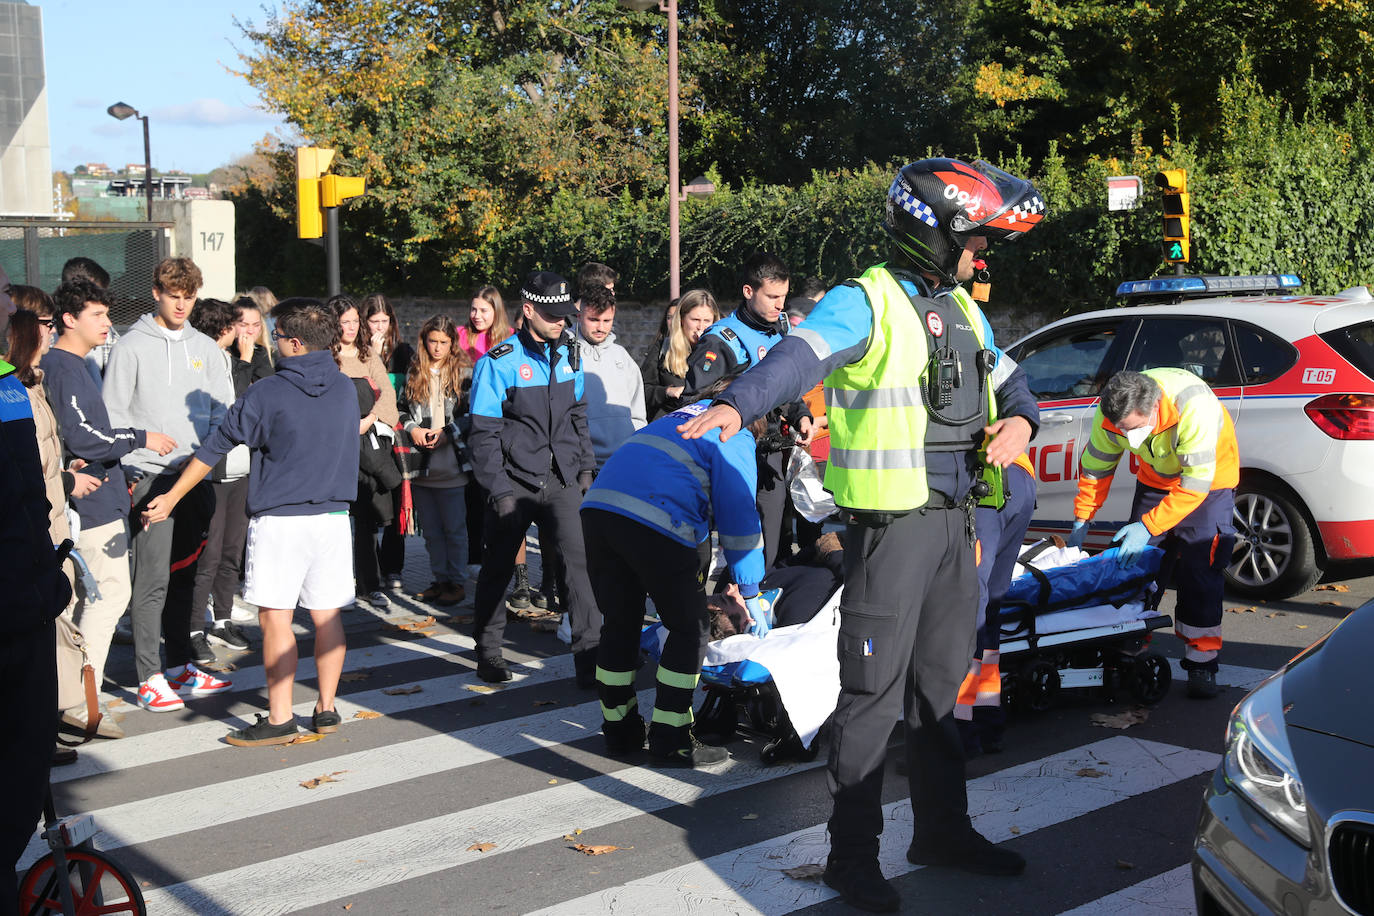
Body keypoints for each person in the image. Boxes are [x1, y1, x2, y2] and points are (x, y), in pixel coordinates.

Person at [680, 158, 1047, 912]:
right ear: (936, 231)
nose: (981, 254)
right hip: (890, 533)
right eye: (974, 238)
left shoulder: (964, 309)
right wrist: (739, 402)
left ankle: (942, 832)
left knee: (939, 694)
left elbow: (1012, 382)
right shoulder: (865, 301)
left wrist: (1023, 417)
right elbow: (796, 358)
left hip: (956, 527)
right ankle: (853, 858)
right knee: (871, 700)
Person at [142, 298, 359, 746]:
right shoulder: (345, 388)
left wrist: (170, 497)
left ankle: (280, 717)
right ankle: (327, 708)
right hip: (335, 518)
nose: (271, 343)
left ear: (294, 343)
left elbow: (213, 449)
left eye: (276, 336)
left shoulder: (267, 392)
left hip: (281, 520)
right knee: (327, 615)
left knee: (276, 618)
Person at [582, 378, 764, 767]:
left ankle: (620, 731)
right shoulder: (734, 430)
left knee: (620, 624)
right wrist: (750, 591)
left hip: (600, 512)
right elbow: (740, 516)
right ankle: (671, 738)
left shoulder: (678, 418)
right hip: (655, 520)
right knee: (689, 629)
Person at [103, 256, 236, 712]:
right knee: (152, 581)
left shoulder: (206, 346)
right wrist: (130, 467)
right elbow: (113, 416)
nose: (181, 304)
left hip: (195, 474)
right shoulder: (131, 346)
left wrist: (206, 452)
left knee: (185, 576)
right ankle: (148, 676)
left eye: (189, 296)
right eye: (173, 296)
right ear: (157, 293)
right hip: (149, 477)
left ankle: (179, 665)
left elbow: (224, 410)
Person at [42, 280, 176, 709]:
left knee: (87, 599)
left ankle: (72, 696)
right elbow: (85, 438)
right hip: (90, 505)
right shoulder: (63, 367)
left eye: (105, 313)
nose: (105, 323)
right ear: (69, 319)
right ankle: (84, 701)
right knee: (108, 595)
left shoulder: (79, 365)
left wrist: (122, 471)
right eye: (96, 315)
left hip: (99, 494)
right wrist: (141, 437)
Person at [1066, 367, 1239, 699]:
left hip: (1208, 484)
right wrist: (1082, 519)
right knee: (1136, 567)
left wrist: (1147, 526)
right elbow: (1097, 467)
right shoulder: (1112, 412)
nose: (1128, 436)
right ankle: (1129, 642)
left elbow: (1195, 486)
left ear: (1154, 407)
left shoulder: (1193, 407)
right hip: (1156, 481)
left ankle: (1201, 660)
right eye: (1121, 429)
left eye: (1134, 429)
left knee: (1200, 570)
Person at [467, 271, 601, 686]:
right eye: (552, 314)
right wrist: (500, 491)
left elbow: (578, 417)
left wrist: (584, 469)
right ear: (528, 311)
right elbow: (484, 434)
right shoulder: (499, 362)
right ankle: (488, 652)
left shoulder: (569, 354)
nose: (562, 321)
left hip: (562, 480)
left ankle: (589, 659)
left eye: (565, 314)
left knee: (578, 571)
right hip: (515, 484)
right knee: (497, 568)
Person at [7, 301, 120, 744]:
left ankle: (57, 716)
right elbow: (26, 472)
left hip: (53, 530)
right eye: (45, 323)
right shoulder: (14, 389)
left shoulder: (34, 383)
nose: (51, 331)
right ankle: (64, 712)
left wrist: (65, 481)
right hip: (36, 537)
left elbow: (45, 463)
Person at [0, 274, 73, 916]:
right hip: (16, 596)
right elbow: (21, 501)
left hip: (28, 581)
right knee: (22, 757)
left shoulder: (15, 389)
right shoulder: (7, 392)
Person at [686, 253, 813, 571]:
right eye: (772, 297)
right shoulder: (721, 341)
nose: (779, 305)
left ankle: (758, 610)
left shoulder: (780, 329)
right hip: (734, 457)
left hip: (773, 457)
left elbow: (786, 383)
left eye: (783, 297)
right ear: (748, 291)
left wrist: (801, 416)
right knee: (741, 551)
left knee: (771, 548)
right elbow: (694, 403)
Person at [187, 298, 264, 657]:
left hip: (240, 469)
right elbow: (235, 402)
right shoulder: (206, 361)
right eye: (238, 325)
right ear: (224, 327)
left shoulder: (235, 359)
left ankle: (222, 619)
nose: (243, 333)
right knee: (211, 553)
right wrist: (246, 362)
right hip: (213, 472)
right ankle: (192, 630)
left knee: (232, 550)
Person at [955, 455, 1036, 755]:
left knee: (967, 608)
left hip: (983, 485)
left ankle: (960, 731)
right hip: (1017, 479)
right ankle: (988, 722)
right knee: (989, 609)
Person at [330, 295, 400, 610]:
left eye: (355, 321)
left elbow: (387, 392)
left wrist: (369, 418)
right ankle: (334, 585)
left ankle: (369, 585)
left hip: (365, 447)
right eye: (345, 321)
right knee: (333, 520)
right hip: (333, 448)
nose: (351, 326)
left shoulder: (367, 353)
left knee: (365, 520)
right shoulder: (325, 356)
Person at [399, 315, 474, 607]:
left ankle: (456, 581)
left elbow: (473, 414)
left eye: (444, 342)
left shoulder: (463, 372)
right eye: (433, 341)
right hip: (422, 465)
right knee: (430, 531)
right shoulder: (415, 370)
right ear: (424, 341)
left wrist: (447, 433)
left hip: (453, 464)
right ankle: (439, 578)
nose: (438, 348)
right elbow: (401, 409)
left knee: (454, 529)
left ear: (452, 343)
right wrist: (413, 429)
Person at [363, 293, 416, 591]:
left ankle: (393, 566)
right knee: (370, 501)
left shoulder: (402, 351)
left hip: (396, 434)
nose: (380, 328)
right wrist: (371, 353)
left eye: (385, 321)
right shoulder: (359, 352)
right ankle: (368, 566)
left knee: (398, 497)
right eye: (374, 322)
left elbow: (406, 394)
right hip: (369, 433)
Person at [573, 284, 646, 466]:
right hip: (582, 463)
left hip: (623, 460)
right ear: (579, 316)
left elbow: (638, 413)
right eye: (594, 320)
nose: (601, 327)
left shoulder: (621, 356)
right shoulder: (564, 355)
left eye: (607, 321)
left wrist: (635, 447)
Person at [640, 289, 719, 420]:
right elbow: (642, 390)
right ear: (682, 320)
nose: (701, 327)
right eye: (695, 320)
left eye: (707, 321)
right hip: (668, 426)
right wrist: (667, 392)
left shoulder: (721, 352)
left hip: (706, 427)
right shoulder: (663, 347)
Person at [458, 285, 513, 363]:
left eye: (483, 310)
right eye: (473, 309)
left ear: (496, 311)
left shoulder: (511, 337)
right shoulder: (459, 334)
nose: (477, 316)